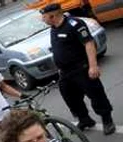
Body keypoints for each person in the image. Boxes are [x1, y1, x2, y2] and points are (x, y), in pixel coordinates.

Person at [41, 3, 115, 135]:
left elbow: (89, 43)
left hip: (81, 68)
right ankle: (85, 119)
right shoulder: (53, 28)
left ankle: (107, 120)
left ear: (52, 16)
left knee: (96, 94)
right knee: (70, 97)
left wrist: (93, 66)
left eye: (44, 17)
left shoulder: (75, 24)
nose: (42, 19)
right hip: (65, 72)